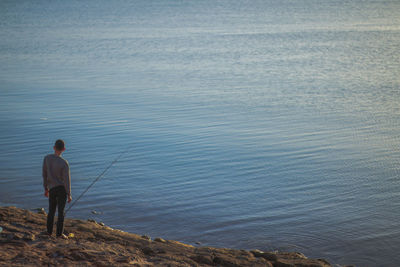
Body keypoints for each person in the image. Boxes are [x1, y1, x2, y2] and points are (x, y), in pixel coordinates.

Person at [42, 139, 72, 238]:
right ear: (64, 149)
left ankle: (49, 232)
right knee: (61, 212)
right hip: (62, 190)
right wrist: (69, 194)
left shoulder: (47, 158)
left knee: (51, 211)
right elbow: (67, 180)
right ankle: (59, 234)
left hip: (52, 189)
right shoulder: (64, 163)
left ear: (54, 147)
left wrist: (46, 188)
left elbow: (44, 175)